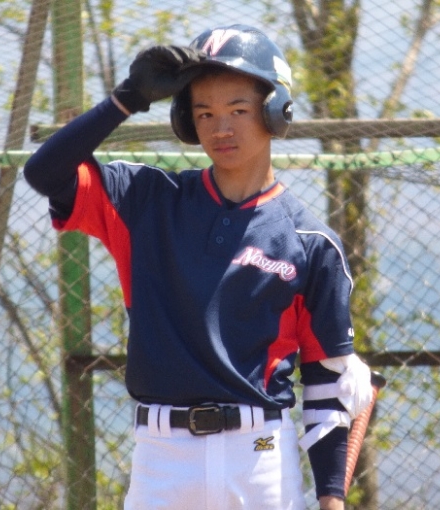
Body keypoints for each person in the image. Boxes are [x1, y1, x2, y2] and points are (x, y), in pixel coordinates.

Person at [25, 24, 373, 510]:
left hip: (260, 459)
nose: (220, 128)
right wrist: (127, 99)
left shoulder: (311, 242)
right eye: (204, 113)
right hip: (162, 458)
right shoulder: (145, 201)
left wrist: (332, 498)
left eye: (238, 110)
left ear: (275, 110)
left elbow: (327, 380)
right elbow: (44, 172)